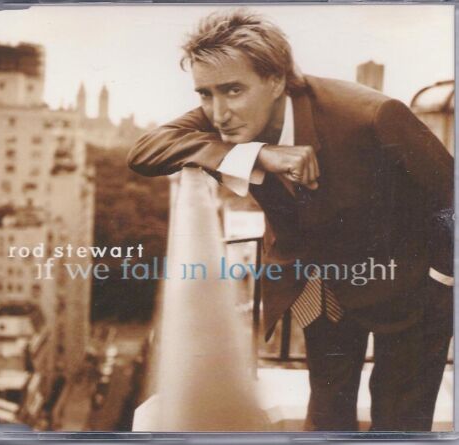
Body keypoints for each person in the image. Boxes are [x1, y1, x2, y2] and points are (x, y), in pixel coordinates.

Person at [128, 9, 454, 431]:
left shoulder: (371, 114)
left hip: (409, 286)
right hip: (321, 285)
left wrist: (442, 278)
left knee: (399, 422)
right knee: (326, 415)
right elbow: (145, 151)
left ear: (276, 79)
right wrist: (258, 154)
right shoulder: (224, 114)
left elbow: (449, 190)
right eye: (205, 94)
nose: (218, 113)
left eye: (232, 90)